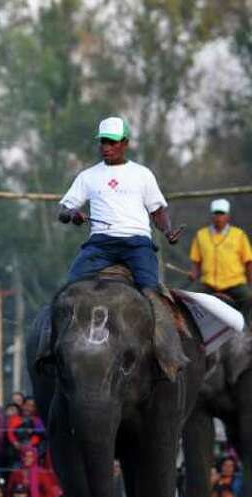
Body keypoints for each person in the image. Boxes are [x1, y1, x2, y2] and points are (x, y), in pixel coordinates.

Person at [58, 116, 185, 358]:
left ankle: (168, 352)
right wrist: (72, 214)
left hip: (137, 245)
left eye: (112, 142)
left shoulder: (142, 174)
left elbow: (157, 211)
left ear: (125, 143)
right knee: (68, 291)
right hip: (100, 245)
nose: (106, 146)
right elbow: (63, 210)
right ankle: (53, 349)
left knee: (151, 293)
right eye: (103, 142)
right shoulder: (88, 176)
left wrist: (168, 232)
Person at [189, 199, 252, 317]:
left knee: (248, 297)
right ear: (211, 216)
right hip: (209, 284)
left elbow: (248, 262)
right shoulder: (200, 235)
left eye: (221, 214)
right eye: (216, 214)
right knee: (191, 298)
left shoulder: (239, 235)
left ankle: (247, 328)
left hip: (234, 283)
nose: (218, 217)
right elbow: (196, 262)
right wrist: (194, 273)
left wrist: (250, 282)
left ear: (228, 216)